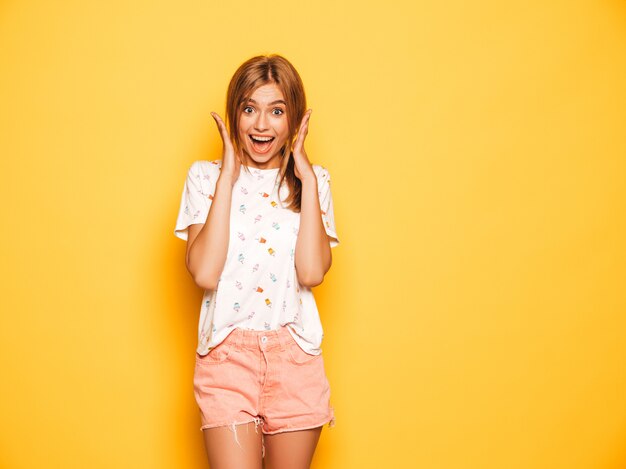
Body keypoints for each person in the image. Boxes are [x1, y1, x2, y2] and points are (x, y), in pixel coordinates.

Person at [173, 54, 340, 469]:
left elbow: (311, 272)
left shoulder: (313, 181)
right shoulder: (206, 177)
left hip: (295, 356)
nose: (261, 125)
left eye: (276, 111)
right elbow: (206, 272)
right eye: (250, 109)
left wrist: (306, 178)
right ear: (235, 113)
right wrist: (228, 176)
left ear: (295, 119)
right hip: (228, 356)